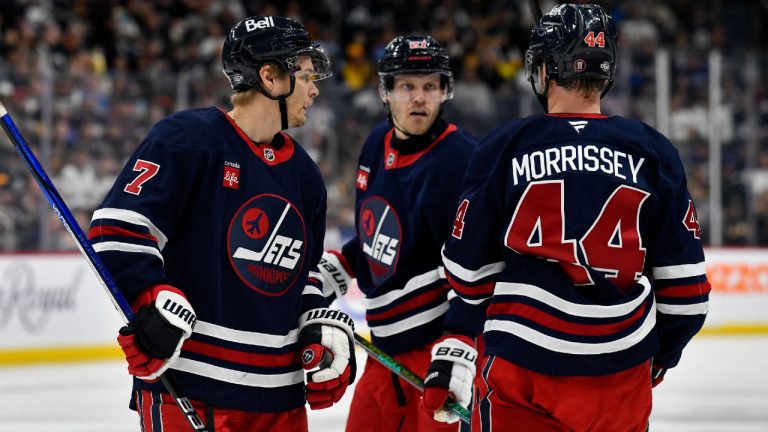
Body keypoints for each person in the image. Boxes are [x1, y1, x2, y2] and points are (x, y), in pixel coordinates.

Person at [434, 4, 711, 431]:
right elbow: (688, 294)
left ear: (544, 69)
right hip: (621, 372)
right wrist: (659, 356)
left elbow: (467, 275)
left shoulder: (505, 145)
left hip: (524, 367)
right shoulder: (653, 150)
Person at [88, 16, 356, 431]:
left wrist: (319, 326)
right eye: (304, 76)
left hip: (279, 400)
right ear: (270, 77)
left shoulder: (305, 177)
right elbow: (117, 230)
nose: (315, 89)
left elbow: (300, 280)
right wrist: (151, 296)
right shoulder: (187, 139)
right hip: (194, 388)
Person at [316, 35, 479, 431]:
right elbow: (382, 237)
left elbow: (477, 267)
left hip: (438, 354)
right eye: (407, 86)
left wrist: (461, 345)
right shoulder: (376, 144)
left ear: (445, 92)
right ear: (385, 91)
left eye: (429, 86)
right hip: (384, 350)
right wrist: (333, 270)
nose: (419, 98)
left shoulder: (464, 160)